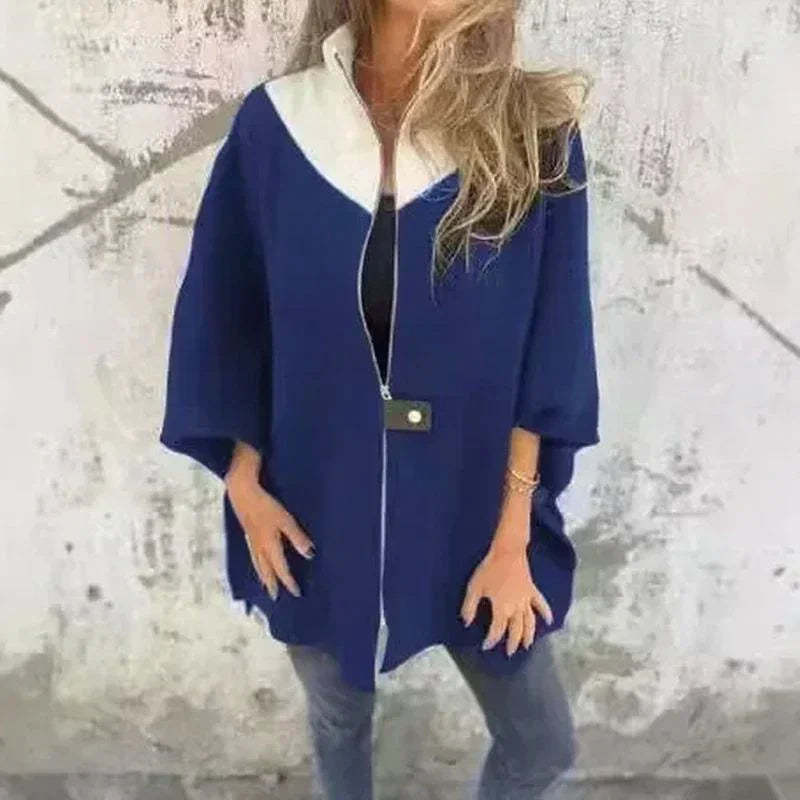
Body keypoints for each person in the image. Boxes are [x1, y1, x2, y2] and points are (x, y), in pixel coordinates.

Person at [159, 0, 600, 797]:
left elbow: (551, 349)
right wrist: (245, 485)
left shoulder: (533, 132)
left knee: (540, 744)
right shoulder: (280, 126)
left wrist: (512, 539)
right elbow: (230, 314)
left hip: (476, 509)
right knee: (338, 722)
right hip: (314, 504)